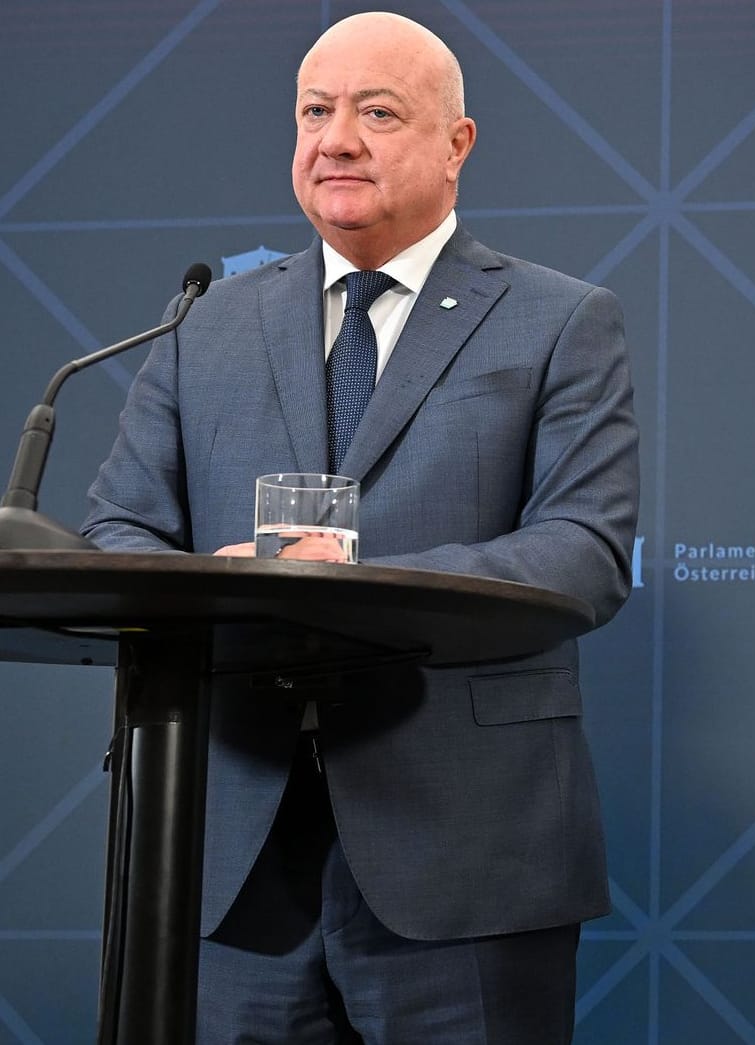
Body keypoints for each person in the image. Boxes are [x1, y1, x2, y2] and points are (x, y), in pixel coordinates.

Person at [83, 12, 637, 1042]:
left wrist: (347, 584)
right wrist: (227, 588)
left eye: (376, 112)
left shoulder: (559, 320)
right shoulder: (204, 324)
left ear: (456, 145)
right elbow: (118, 530)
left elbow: (585, 552)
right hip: (225, 853)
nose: (335, 138)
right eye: (314, 111)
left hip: (464, 855)